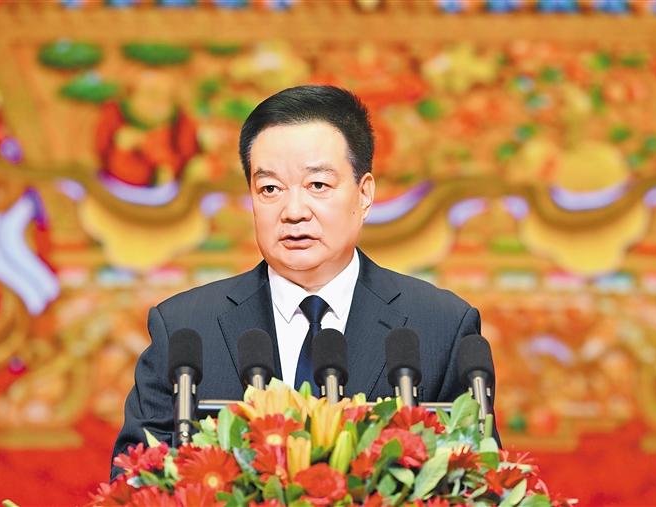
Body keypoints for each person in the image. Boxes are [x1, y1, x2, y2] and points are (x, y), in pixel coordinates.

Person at [111, 85, 484, 479]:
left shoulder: (440, 326)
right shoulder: (185, 329)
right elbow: (134, 484)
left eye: (317, 185)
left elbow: (476, 483)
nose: (293, 211)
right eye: (270, 189)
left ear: (364, 193)